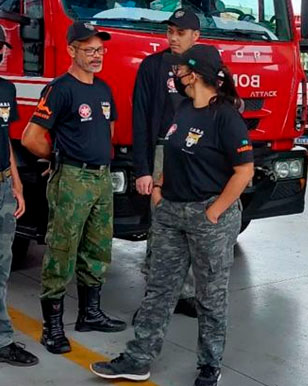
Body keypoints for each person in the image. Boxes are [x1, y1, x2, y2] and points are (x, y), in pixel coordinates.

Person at [90, 44, 253, 386]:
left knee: (210, 297)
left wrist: (213, 213)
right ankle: (137, 359)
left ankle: (210, 366)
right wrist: (161, 190)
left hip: (208, 217)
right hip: (170, 214)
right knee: (159, 291)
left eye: (180, 70)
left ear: (195, 74)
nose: (175, 74)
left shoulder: (225, 116)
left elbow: (244, 171)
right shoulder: (182, 110)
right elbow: (174, 154)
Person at [22, 21, 125, 354]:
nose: (97, 56)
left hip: (101, 178)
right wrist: (59, 156)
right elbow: (31, 137)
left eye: (100, 50)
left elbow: (108, 131)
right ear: (71, 50)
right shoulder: (60, 89)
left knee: (97, 249)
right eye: (89, 50)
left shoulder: (104, 89)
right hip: (72, 179)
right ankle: (52, 328)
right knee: (62, 251)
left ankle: (89, 314)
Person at [133, 8, 200, 318]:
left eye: (180, 32)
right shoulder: (152, 67)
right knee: (161, 226)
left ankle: (185, 293)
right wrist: (143, 168)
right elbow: (141, 118)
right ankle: (154, 296)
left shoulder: (206, 67)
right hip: (163, 153)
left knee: (190, 225)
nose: (173, 37)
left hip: (196, 155)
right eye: (170, 31)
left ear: (195, 36)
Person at [0, 29, 39, 367]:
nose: (0, 52)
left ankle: (1, 339)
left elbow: (6, 141)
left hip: (2, 189)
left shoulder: (6, 90)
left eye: (2, 46)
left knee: (2, 266)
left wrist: (16, 184)